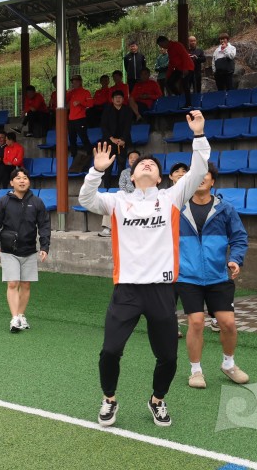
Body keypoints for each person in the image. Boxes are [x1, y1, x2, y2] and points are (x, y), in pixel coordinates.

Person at [79, 111, 211, 429]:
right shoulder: (118, 202)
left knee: (168, 356)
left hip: (161, 291)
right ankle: (109, 399)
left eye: (152, 164)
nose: (147, 165)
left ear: (160, 175)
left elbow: (199, 170)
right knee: (110, 350)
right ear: (133, 175)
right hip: (126, 290)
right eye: (141, 164)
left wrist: (198, 134)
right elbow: (86, 199)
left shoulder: (170, 198)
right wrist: (96, 172)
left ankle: (157, 401)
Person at [177, 162, 250, 390]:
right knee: (196, 322)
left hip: (218, 276)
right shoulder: (177, 208)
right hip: (188, 277)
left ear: (212, 181)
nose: (201, 178)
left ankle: (229, 364)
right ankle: (195, 371)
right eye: (196, 174)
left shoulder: (225, 209)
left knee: (228, 323)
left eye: (205, 175)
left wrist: (235, 259)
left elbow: (239, 238)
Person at [0, 167, 51, 332]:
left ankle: (21, 315)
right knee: (12, 283)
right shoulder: (4, 201)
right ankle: (14, 318)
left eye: (25, 178)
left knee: (25, 285)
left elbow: (44, 225)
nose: (22, 180)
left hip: (30, 249)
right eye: (18, 178)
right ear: (11, 182)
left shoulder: (37, 202)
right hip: (9, 249)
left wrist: (44, 246)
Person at [96, 149, 140, 238]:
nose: (133, 159)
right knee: (111, 203)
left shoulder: (144, 171)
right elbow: (122, 185)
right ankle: (108, 229)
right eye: (131, 158)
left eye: (135, 158)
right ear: (128, 160)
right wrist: (129, 195)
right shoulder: (124, 172)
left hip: (139, 198)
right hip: (126, 197)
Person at [99, 90, 135, 188]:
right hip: (109, 142)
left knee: (121, 165)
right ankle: (106, 187)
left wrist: (123, 139)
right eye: (116, 98)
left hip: (123, 142)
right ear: (112, 99)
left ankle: (121, 188)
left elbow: (128, 127)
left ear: (123, 99)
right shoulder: (107, 110)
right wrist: (112, 138)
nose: (118, 99)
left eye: (120, 97)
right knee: (108, 166)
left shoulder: (127, 110)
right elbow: (103, 126)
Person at [156, 35, 195, 108]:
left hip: (187, 66)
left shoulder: (177, 45)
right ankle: (179, 96)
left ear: (165, 42)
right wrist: (167, 76)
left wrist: (185, 68)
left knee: (185, 84)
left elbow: (184, 56)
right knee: (169, 82)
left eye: (161, 45)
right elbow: (171, 64)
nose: (162, 47)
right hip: (179, 69)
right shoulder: (169, 50)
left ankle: (188, 103)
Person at [66, 75, 93, 158]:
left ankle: (89, 155)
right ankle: (74, 156)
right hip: (71, 119)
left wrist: (80, 102)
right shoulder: (71, 92)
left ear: (80, 82)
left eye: (76, 81)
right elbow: (64, 100)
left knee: (83, 137)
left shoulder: (86, 92)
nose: (74, 83)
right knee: (72, 138)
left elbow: (91, 104)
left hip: (80, 118)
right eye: (73, 82)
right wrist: (67, 92)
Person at [186, 35, 205, 102]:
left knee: (197, 88)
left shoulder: (199, 50)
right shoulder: (186, 51)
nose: (193, 42)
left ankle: (198, 102)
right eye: (191, 41)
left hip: (197, 73)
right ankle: (189, 102)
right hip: (188, 73)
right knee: (187, 88)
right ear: (189, 42)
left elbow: (204, 59)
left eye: (194, 41)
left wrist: (197, 58)